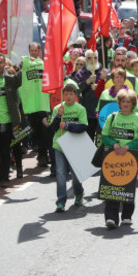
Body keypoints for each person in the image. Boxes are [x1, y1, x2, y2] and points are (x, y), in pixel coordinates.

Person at [100, 90, 138, 229]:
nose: (126, 104)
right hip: (113, 159)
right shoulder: (112, 117)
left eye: (128, 102)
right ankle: (111, 217)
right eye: (123, 101)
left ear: (133, 104)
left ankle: (127, 216)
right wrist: (113, 144)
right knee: (112, 188)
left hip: (131, 159)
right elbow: (104, 136)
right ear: (119, 103)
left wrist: (129, 146)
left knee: (128, 188)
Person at [49, 84, 89, 212]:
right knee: (60, 174)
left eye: (71, 94)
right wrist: (57, 116)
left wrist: (67, 125)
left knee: (76, 175)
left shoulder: (80, 109)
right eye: (65, 94)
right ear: (63, 96)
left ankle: (78, 193)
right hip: (60, 147)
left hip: (75, 146)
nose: (68, 96)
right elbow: (52, 128)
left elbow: (83, 127)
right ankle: (60, 202)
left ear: (75, 95)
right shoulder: (57, 108)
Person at [18, 43, 52, 170]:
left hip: (43, 104)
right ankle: (41, 153)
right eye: (31, 51)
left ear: (39, 51)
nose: (33, 53)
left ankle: (43, 155)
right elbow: (24, 61)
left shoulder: (44, 65)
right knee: (36, 131)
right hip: (31, 105)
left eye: (35, 50)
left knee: (44, 131)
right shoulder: (25, 63)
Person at [0, 54, 22, 185]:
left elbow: (22, 77)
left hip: (6, 121)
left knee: (5, 151)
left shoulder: (10, 79)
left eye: (1, 62)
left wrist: (26, 63)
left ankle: (4, 178)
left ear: (5, 63)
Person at [73, 50, 103, 140]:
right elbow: (76, 90)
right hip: (86, 112)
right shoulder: (80, 73)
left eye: (95, 58)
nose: (92, 60)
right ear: (86, 59)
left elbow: (111, 90)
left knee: (100, 140)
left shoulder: (104, 72)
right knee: (88, 139)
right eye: (89, 58)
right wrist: (87, 82)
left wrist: (100, 87)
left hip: (100, 111)